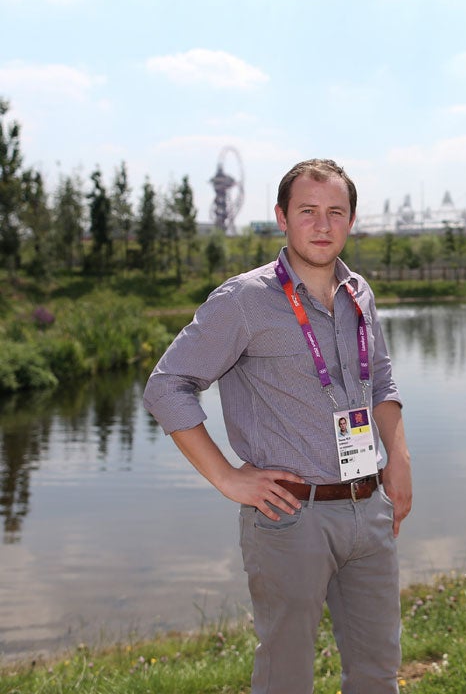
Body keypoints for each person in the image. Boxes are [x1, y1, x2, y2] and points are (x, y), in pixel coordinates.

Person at [143, 158, 412, 694]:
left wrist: (398, 460)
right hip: (291, 516)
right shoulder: (243, 300)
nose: (322, 224)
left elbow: (379, 380)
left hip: (369, 504)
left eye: (336, 212)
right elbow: (166, 385)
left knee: (379, 672)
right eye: (307, 211)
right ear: (281, 218)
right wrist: (227, 478)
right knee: (286, 678)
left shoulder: (360, 293)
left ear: (351, 221)